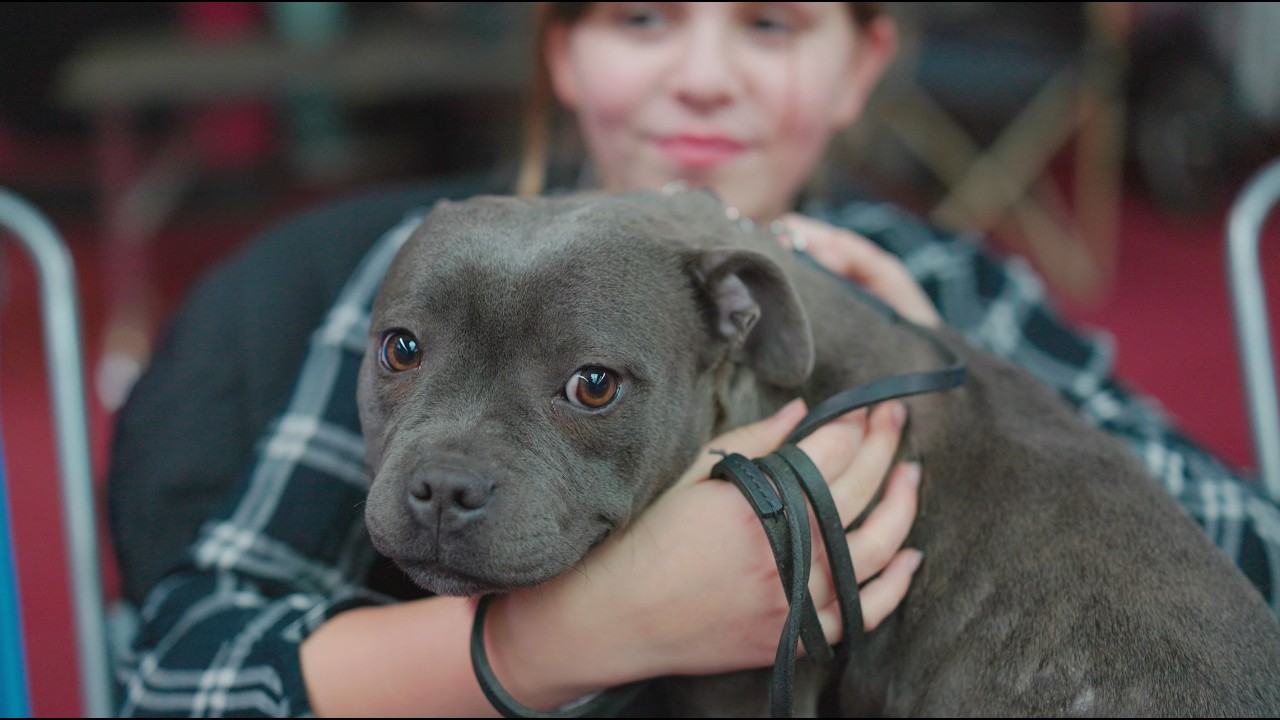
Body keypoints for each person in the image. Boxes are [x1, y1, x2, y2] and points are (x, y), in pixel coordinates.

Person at [109, 3, 1279, 717]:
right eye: (640, 17)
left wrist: (957, 372)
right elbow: (175, 681)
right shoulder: (431, 266)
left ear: (860, 60)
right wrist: (569, 637)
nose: (704, 74)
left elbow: (1250, 553)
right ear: (561, 49)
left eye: (768, 22)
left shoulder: (944, 284)